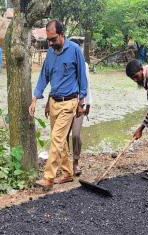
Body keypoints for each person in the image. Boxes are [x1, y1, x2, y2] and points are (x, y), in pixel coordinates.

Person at [29, 20, 88, 190]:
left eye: (53, 39)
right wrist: (36, 98)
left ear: (62, 35)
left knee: (56, 139)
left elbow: (82, 78)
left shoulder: (75, 50)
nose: (50, 43)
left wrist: (81, 101)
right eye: (49, 39)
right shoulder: (50, 53)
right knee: (59, 140)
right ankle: (68, 173)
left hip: (69, 103)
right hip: (54, 102)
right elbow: (44, 77)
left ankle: (48, 178)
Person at [44, 38, 92, 177]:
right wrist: (48, 103)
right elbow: (56, 84)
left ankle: (75, 163)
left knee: (75, 134)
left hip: (78, 104)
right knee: (61, 137)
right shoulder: (61, 59)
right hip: (62, 102)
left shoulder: (84, 65)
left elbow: (86, 85)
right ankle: (66, 170)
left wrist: (85, 105)